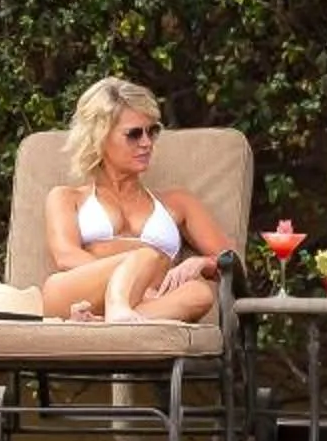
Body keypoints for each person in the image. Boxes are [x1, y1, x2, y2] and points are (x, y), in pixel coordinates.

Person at [40, 77, 230, 324]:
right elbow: (66, 256)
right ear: (99, 137)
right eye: (134, 134)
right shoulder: (66, 198)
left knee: (200, 293)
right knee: (147, 255)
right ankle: (118, 309)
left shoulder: (178, 203)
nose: (147, 143)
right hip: (73, 295)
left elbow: (231, 260)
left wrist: (203, 263)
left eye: (152, 131)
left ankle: (106, 323)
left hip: (146, 304)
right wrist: (135, 276)